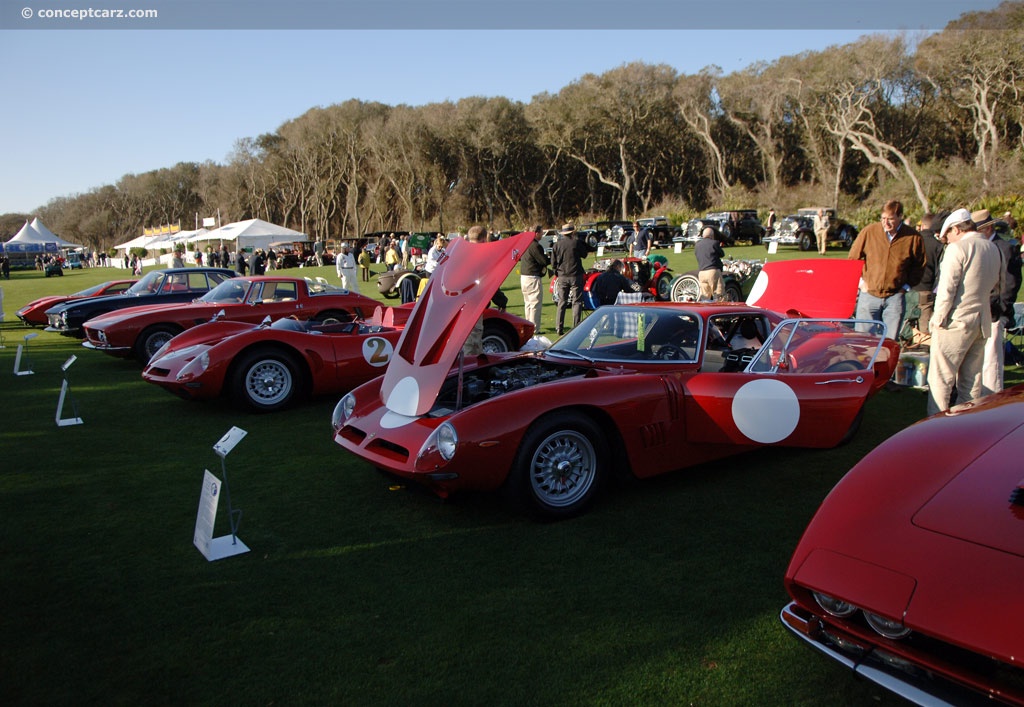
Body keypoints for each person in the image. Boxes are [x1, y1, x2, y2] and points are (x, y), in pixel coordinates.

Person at [926, 209, 1004, 415]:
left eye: (947, 235)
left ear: (957, 229)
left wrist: (937, 320)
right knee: (971, 381)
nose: (946, 240)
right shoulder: (993, 248)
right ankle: (966, 423)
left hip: (955, 321)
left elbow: (947, 289)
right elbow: (997, 283)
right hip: (981, 320)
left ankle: (936, 426)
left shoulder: (957, 249)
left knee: (940, 380)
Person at [848, 199, 925, 339]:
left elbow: (919, 265)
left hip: (895, 296)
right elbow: (853, 258)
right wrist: (861, 283)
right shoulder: (869, 232)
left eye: (890, 219)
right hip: (869, 295)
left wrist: (906, 286)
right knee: (862, 340)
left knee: (889, 341)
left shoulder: (913, 237)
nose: (886, 223)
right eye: (883, 218)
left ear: (900, 216)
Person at [973, 209, 1022, 395]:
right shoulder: (981, 246)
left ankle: (992, 396)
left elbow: (1010, 283)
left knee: (992, 358)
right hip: (980, 309)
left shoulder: (1004, 247)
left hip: (995, 311)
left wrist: (1001, 309)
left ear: (987, 228)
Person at [910, 213, 943, 346]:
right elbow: (939, 270)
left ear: (922, 225)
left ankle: (908, 346)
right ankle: (923, 348)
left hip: (909, 287)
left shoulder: (911, 240)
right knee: (925, 324)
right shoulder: (938, 245)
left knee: (908, 321)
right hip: (927, 288)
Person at [551, 222, 589, 335]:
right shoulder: (575, 243)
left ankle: (559, 327)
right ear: (572, 232)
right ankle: (576, 326)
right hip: (575, 275)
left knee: (562, 302)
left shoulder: (557, 245)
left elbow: (553, 262)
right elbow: (585, 254)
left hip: (562, 276)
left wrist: (556, 271)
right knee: (576, 302)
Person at [519, 226, 549, 332]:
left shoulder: (525, 244)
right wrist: (549, 258)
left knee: (528, 303)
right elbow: (543, 261)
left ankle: (528, 325)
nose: (542, 235)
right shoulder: (535, 245)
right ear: (536, 233)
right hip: (532, 277)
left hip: (524, 277)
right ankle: (534, 328)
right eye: (541, 232)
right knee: (535, 303)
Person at [695, 227, 725, 301]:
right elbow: (722, 254)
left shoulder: (697, 245)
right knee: (719, 295)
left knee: (705, 297)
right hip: (713, 271)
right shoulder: (714, 243)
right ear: (712, 235)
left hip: (701, 272)